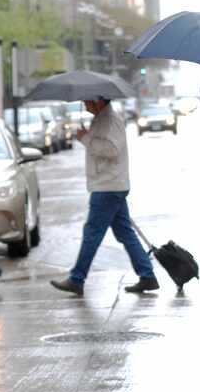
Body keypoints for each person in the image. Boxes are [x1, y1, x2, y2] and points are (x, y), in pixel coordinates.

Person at [50, 98, 158, 297]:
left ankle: (77, 279)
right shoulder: (102, 119)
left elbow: (111, 150)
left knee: (92, 233)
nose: (84, 103)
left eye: (87, 100)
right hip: (109, 184)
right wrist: (88, 136)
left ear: (98, 100)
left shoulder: (110, 120)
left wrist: (85, 138)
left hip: (108, 186)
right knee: (125, 232)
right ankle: (147, 276)